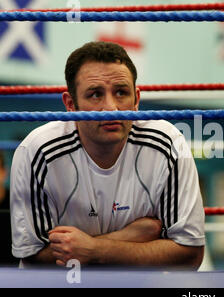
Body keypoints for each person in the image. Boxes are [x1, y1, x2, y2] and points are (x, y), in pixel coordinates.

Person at [9, 41, 205, 269]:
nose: (111, 107)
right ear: (71, 104)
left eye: (121, 93)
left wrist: (93, 249)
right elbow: (33, 259)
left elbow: (190, 255)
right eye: (95, 95)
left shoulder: (167, 144)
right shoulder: (37, 151)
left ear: (137, 100)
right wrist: (131, 237)